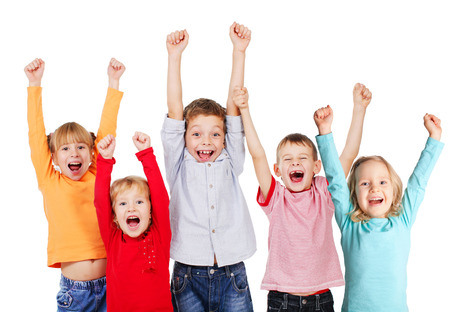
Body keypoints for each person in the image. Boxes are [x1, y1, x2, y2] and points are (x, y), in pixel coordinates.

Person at [232, 83, 372, 312]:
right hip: (282, 300)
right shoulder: (276, 197)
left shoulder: (324, 193)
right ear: (277, 169)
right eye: (287, 159)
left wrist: (359, 109)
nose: (295, 163)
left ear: (317, 166)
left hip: (321, 300)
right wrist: (245, 110)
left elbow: (348, 154)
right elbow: (258, 155)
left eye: (302, 158)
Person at [162, 23, 256, 311]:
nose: (207, 141)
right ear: (185, 136)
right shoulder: (178, 162)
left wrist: (239, 52)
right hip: (187, 274)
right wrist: (174, 57)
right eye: (197, 133)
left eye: (215, 133)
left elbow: (233, 110)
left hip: (232, 273)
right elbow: (175, 108)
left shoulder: (230, 158)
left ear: (225, 138)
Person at [314, 106, 444, 312]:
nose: (374, 187)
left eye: (383, 182)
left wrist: (434, 138)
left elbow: (419, 182)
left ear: (393, 189)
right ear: (354, 193)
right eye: (365, 183)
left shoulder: (402, 220)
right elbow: (336, 182)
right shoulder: (350, 224)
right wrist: (325, 132)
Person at [25, 57, 125, 311]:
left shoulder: (96, 174)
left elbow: (106, 135)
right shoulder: (50, 181)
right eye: (66, 148)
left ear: (91, 152)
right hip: (75, 293)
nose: (74, 153)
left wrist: (113, 83)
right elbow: (37, 136)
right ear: (54, 157)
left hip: (112, 286)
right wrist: (34, 85)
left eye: (81, 147)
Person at [94, 132, 172, 311]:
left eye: (139, 202)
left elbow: (160, 197)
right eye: (123, 203)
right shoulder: (113, 239)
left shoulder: (159, 236)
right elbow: (100, 202)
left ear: (151, 211)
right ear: (114, 215)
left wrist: (146, 155)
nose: (131, 208)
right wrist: (105, 160)